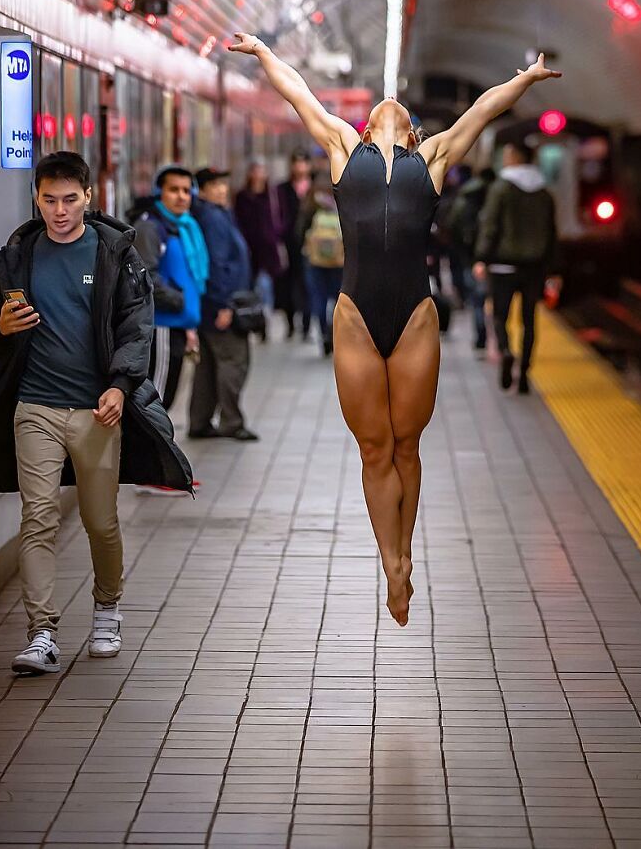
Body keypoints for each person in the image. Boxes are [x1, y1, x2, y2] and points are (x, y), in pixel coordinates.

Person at [230, 32, 560, 626]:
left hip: (414, 316)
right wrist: (261, 53)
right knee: (375, 446)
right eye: (378, 109)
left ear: (411, 131)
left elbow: (484, 108)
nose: (387, 106)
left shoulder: (432, 158)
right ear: (362, 128)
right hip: (355, 315)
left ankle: (404, 551)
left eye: (398, 108)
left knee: (406, 443)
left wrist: (527, 80)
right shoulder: (338, 147)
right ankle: (392, 563)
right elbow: (298, 94)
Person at [0, 151, 192, 676]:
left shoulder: (115, 252)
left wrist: (120, 386)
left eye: (70, 199)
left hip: (97, 412)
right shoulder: (17, 256)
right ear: (37, 199)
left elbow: (135, 325)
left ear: (89, 198)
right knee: (38, 517)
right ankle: (42, 632)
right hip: (36, 407)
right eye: (49, 200)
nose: (59, 210)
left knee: (100, 521)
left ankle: (107, 609)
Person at [474, 142, 558, 395]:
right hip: (534, 267)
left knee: (499, 316)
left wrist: (481, 258)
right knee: (529, 320)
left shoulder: (501, 189)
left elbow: (490, 226)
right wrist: (554, 270)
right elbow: (552, 233)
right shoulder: (544, 193)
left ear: (514, 157)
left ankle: (507, 351)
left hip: (502, 266)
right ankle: (524, 373)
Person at [128, 165, 208, 412]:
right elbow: (145, 276)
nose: (181, 196)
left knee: (167, 394)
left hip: (178, 324)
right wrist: (179, 301)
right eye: (174, 190)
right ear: (159, 192)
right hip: (161, 325)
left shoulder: (184, 226)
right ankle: (153, 448)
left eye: (186, 190)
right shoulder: (150, 227)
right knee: (157, 399)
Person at [189, 168, 258, 441]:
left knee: (206, 366)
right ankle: (231, 421)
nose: (221, 190)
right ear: (202, 191)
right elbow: (217, 265)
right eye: (214, 186)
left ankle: (200, 420)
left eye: (222, 185)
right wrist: (224, 304)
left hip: (209, 304)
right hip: (220, 305)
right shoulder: (213, 217)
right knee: (233, 361)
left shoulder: (211, 214)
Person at [234, 158, 285, 342]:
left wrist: (275, 235)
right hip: (248, 251)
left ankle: (263, 322)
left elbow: (280, 219)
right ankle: (257, 319)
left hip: (268, 251)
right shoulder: (242, 196)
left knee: (265, 287)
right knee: (252, 287)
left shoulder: (272, 195)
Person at [296, 171, 345, 356]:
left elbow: (299, 232)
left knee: (319, 298)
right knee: (337, 298)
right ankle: (335, 333)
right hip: (338, 262)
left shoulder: (310, 204)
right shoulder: (341, 201)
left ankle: (324, 333)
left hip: (315, 261)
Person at [448, 167, 496, 351]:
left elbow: (453, 224)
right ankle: (502, 342)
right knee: (492, 300)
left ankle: (480, 337)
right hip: (495, 259)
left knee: (477, 299)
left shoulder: (465, 196)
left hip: (469, 257)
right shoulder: (496, 195)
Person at [275, 149, 313, 340]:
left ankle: (306, 325)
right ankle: (290, 323)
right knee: (288, 283)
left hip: (311, 243)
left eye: (303, 162)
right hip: (289, 242)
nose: (300, 167)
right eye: (296, 163)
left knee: (308, 283)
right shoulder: (282, 189)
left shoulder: (316, 187)